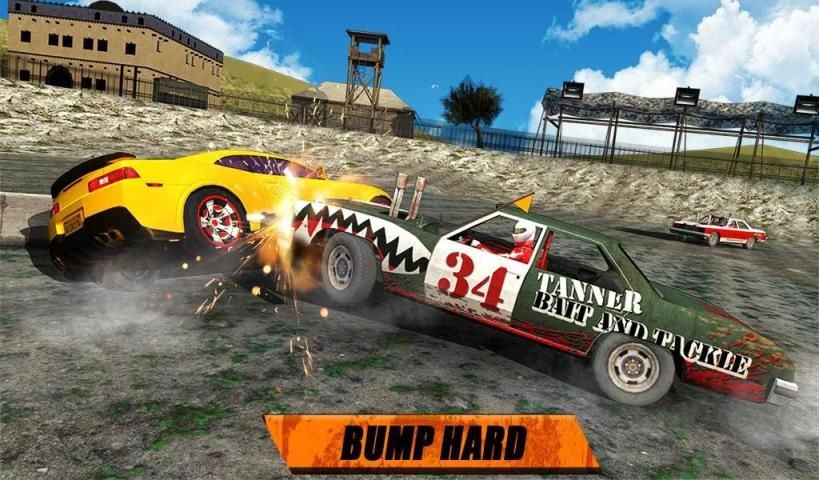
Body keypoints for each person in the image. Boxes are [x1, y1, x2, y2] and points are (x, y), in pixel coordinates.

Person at [468, 220, 536, 264]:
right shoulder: (527, 249)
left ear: (529, 231)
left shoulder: (523, 251)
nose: (516, 233)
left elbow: (496, 259)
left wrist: (479, 246)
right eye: (515, 230)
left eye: (519, 231)